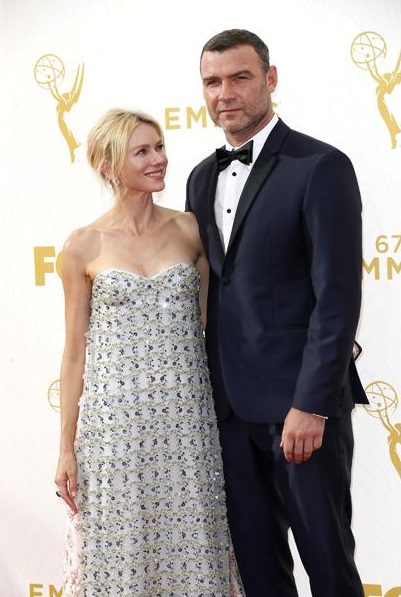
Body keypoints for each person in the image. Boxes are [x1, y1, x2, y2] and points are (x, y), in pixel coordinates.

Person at [186, 29, 369, 597]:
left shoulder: (320, 166)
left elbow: (337, 298)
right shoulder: (200, 177)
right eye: (212, 82)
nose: (225, 93)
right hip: (229, 413)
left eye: (239, 78)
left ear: (270, 79)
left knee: (329, 567)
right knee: (259, 573)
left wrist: (311, 403)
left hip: (300, 410)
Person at [54, 108, 245, 596]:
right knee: (121, 557)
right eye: (142, 151)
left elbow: (208, 326)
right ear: (109, 166)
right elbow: (74, 355)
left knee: (194, 548)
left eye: (159, 147)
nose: (158, 159)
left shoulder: (189, 229)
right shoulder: (82, 246)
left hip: (186, 422)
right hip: (114, 430)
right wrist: (66, 448)